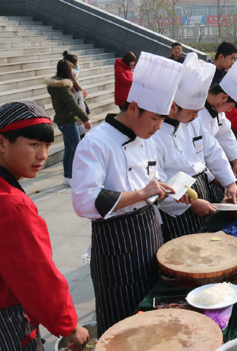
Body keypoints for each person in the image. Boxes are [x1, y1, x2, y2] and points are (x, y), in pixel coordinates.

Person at [71, 52, 187, 336]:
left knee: (150, 316)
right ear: (134, 108)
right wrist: (139, 194)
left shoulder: (145, 138)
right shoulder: (96, 143)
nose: (159, 126)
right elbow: (84, 201)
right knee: (121, 324)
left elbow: (151, 183)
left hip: (148, 234)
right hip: (116, 245)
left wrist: (169, 193)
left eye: (163, 120)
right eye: (155, 119)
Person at [0, 101, 90, 351]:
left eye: (47, 145)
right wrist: (69, 327)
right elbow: (38, 279)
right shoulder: (12, 207)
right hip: (2, 327)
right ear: (1, 143)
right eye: (33, 144)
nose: (42, 155)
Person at [153, 53, 237, 242]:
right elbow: (158, 177)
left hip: (201, 190)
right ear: (173, 107)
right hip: (178, 204)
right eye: (192, 112)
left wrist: (231, 183)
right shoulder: (153, 132)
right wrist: (191, 204)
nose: (197, 116)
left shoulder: (192, 122)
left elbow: (213, 151)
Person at [45, 59, 91, 187]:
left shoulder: (57, 85)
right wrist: (85, 118)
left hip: (65, 121)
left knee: (70, 150)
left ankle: (67, 176)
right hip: (67, 121)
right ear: (67, 71)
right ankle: (73, 176)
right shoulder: (63, 87)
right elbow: (72, 105)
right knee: (77, 149)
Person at [63, 51, 90, 138]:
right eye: (77, 64)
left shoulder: (73, 78)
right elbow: (70, 102)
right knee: (76, 143)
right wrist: (78, 117)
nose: (78, 66)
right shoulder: (67, 81)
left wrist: (83, 96)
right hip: (74, 118)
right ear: (72, 65)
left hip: (77, 115)